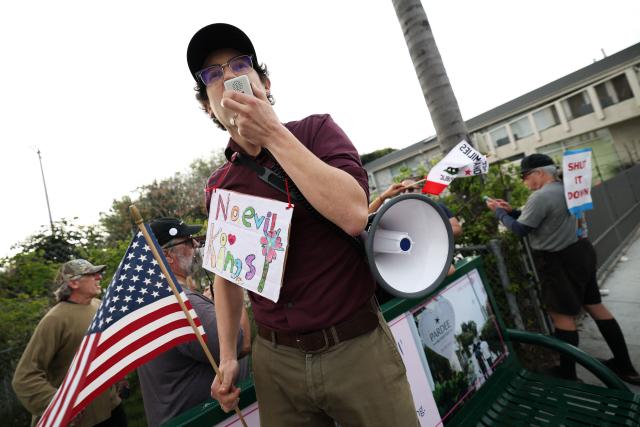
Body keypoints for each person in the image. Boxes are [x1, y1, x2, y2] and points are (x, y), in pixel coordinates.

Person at [187, 23, 418, 426]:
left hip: (356, 347)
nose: (227, 77)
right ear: (208, 104)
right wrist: (226, 356)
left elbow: (352, 214)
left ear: (265, 81)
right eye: (212, 74)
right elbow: (227, 275)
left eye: (239, 65)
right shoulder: (220, 185)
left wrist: (273, 133)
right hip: (277, 362)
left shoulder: (317, 132)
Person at [486, 153, 640, 384]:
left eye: (525, 176)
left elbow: (519, 230)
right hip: (581, 250)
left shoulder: (540, 196)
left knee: (562, 316)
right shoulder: (567, 189)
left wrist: (498, 213)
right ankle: (626, 367)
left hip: (557, 260)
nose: (524, 182)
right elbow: (545, 217)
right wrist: (512, 212)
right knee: (596, 306)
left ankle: (568, 377)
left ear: (539, 173)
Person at [137, 217, 250, 427]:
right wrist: (233, 299)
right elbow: (241, 344)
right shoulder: (181, 304)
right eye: (188, 242)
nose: (196, 245)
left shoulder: (157, 299)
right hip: (204, 419)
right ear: (167, 256)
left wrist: (216, 305)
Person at [12, 259, 126, 427]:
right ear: (73, 282)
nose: (99, 277)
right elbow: (24, 377)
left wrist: (120, 377)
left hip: (112, 409)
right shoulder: (54, 320)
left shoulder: (99, 305)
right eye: (91, 274)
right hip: (80, 421)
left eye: (98, 273)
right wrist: (61, 405)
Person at [368, 178, 463, 238]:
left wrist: (429, 234)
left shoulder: (437, 207)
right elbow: (365, 216)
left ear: (420, 191)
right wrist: (384, 196)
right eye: (403, 191)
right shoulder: (395, 213)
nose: (406, 193)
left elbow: (457, 229)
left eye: (410, 189)